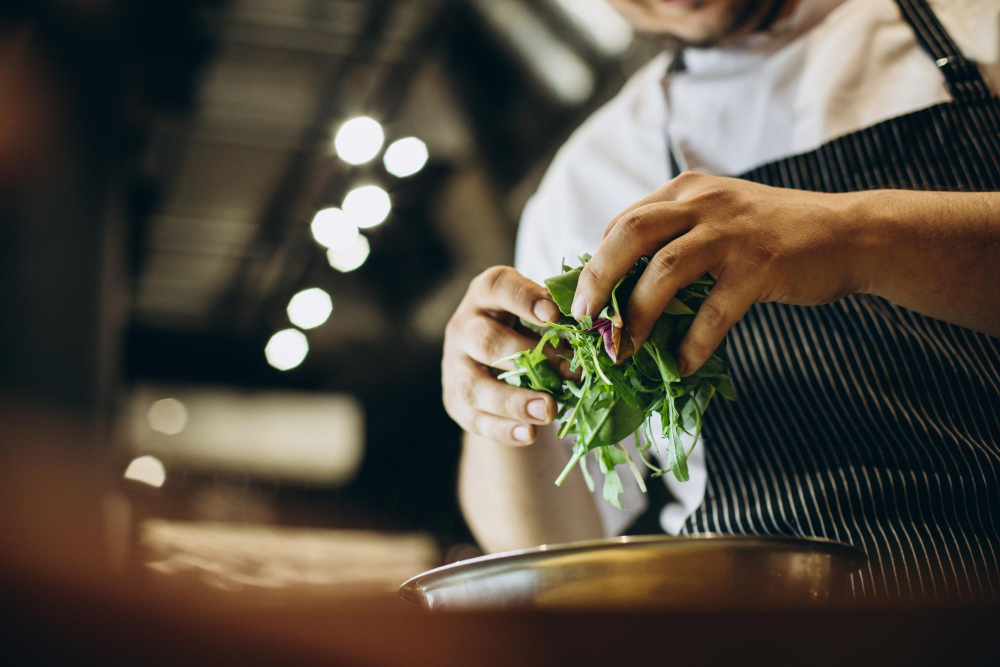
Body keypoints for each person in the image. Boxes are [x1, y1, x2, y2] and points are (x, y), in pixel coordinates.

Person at [442, 0, 1000, 601]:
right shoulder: (588, 178)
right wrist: (503, 388)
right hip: (751, 622)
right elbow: (546, 550)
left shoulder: (978, 25)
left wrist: (855, 238)